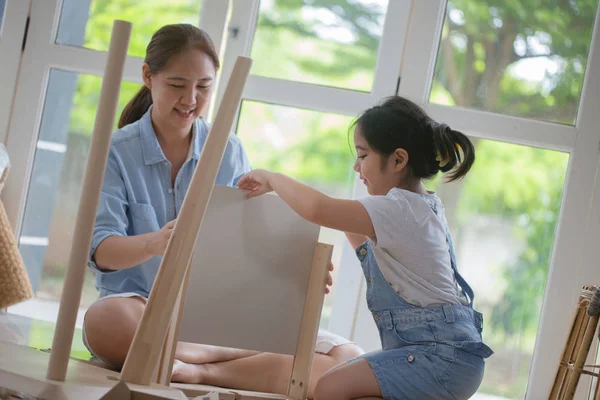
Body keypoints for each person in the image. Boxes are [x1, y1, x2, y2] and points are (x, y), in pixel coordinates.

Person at [83, 23, 362, 397]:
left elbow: (241, 248)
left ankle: (197, 370)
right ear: (149, 77)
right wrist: (154, 243)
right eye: (178, 85)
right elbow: (102, 252)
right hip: (139, 308)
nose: (190, 100)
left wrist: (297, 270)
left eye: (204, 87)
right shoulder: (115, 149)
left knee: (349, 359)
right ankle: (222, 358)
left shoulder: (228, 150)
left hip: (212, 317)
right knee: (104, 321)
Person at [236, 96, 494, 400]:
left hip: (438, 359)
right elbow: (350, 232)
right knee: (348, 383)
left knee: (330, 387)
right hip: (451, 358)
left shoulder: (399, 208)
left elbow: (319, 208)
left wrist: (272, 178)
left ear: (398, 160)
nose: (357, 166)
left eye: (363, 155)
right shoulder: (422, 206)